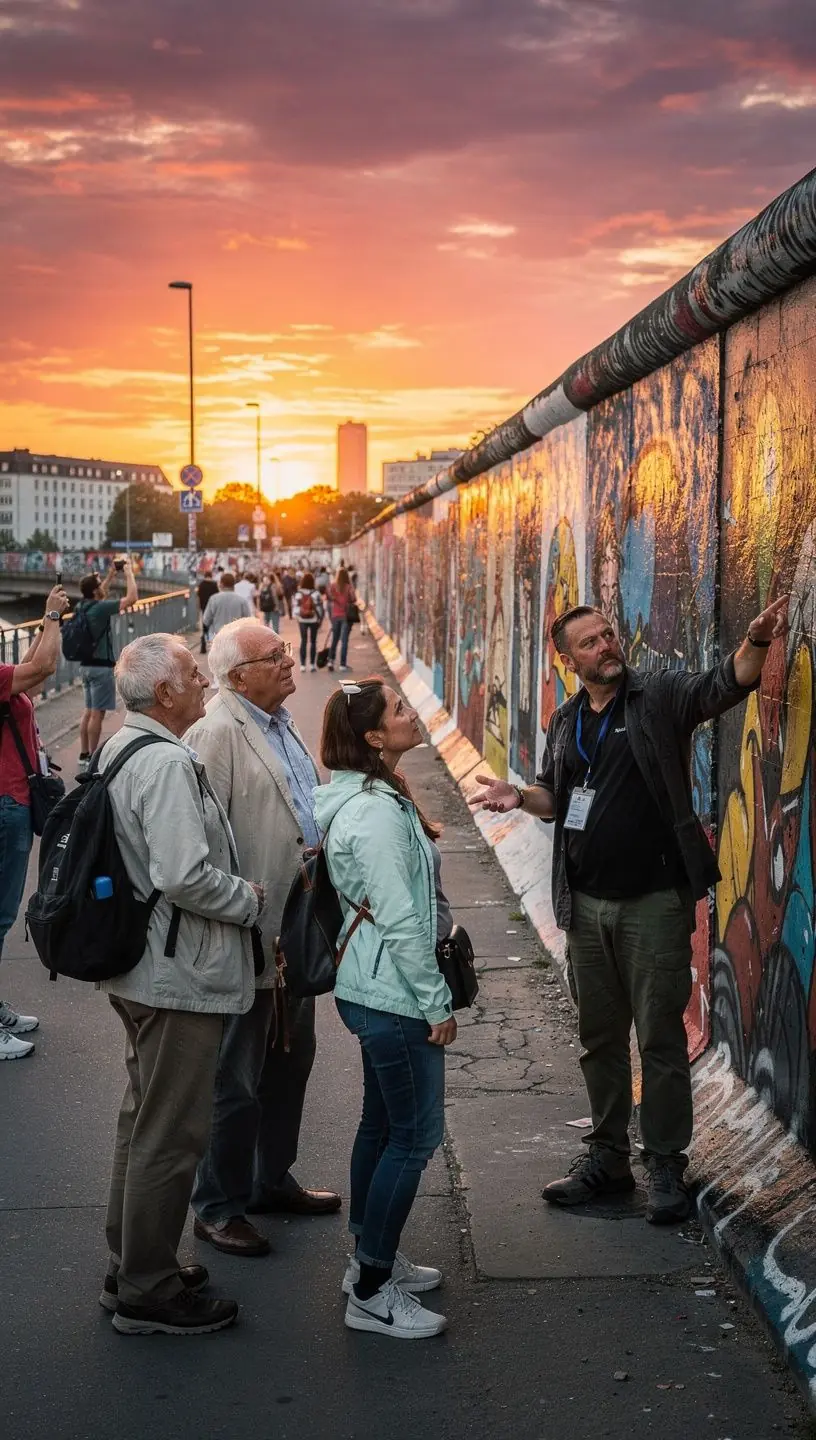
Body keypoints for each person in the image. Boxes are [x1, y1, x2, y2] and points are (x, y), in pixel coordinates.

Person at [472, 596, 790, 1225]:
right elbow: (555, 796)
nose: (605, 646)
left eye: (608, 634)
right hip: (585, 906)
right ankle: (608, 1159)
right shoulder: (567, 720)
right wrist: (521, 796)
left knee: (660, 1037)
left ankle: (666, 1163)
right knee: (599, 1038)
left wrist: (755, 641)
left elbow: (723, 685)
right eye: (589, 643)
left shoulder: (658, 697)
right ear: (569, 661)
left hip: (652, 903)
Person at [97, 633, 263, 1337]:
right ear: (164, 692)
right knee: (172, 1134)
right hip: (176, 975)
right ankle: (149, 1290)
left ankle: (135, 1261)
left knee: (143, 1122)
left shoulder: (122, 745)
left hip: (141, 967)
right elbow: (183, 874)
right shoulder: (165, 761)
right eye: (195, 676)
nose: (205, 684)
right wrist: (248, 899)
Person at [186, 618, 341, 1257]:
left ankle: (270, 1179)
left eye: (284, 651)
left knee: (290, 1061)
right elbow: (199, 845)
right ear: (237, 676)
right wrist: (245, 909)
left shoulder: (280, 721)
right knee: (236, 1079)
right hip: (247, 934)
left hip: (295, 928)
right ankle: (218, 1207)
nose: (287, 661)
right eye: (273, 655)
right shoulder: (215, 734)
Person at [313, 677, 455, 1340]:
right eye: (397, 709)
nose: (409, 712)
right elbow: (399, 918)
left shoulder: (377, 796)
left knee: (381, 1124)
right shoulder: (373, 813)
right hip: (393, 997)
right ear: (373, 736)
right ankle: (371, 1290)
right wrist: (435, 1002)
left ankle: (370, 1255)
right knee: (414, 1137)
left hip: (373, 989)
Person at [0, 582, 70, 1059]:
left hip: (12, 802)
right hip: (5, 804)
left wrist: (48, 625)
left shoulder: (6, 679)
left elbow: (34, 678)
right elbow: (43, 668)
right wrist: (51, 617)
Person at [76, 561, 138, 773]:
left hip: (86, 666)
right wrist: (128, 574)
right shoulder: (101, 609)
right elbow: (132, 598)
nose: (102, 585)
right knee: (97, 714)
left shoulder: (82, 606)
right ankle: (93, 759)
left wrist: (111, 575)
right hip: (101, 667)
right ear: (95, 591)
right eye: (99, 583)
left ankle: (84, 754)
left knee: (88, 711)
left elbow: (99, 592)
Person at [201, 572, 252, 639]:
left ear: (221, 584)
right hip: (235, 638)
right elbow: (248, 620)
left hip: (217, 637)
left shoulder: (214, 599)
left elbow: (206, 620)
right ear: (234, 584)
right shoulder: (242, 600)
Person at [326, 566, 357, 673]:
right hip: (345, 617)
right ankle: (342, 665)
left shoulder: (333, 586)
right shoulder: (348, 587)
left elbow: (329, 596)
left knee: (335, 639)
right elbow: (353, 598)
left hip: (335, 615)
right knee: (344, 641)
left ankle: (330, 661)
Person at [293, 571, 324, 673]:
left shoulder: (299, 593)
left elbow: (296, 607)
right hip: (313, 619)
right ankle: (312, 665)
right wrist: (320, 618)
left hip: (302, 620)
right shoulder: (316, 593)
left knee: (303, 641)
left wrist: (298, 617)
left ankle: (302, 665)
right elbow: (319, 608)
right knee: (313, 641)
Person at [196, 571, 219, 655]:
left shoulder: (201, 584)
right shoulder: (214, 585)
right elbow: (217, 596)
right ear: (211, 576)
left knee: (205, 626)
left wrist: (199, 606)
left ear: (205, 576)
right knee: (213, 626)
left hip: (204, 608)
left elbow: (199, 596)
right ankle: (214, 646)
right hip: (213, 608)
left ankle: (203, 645)